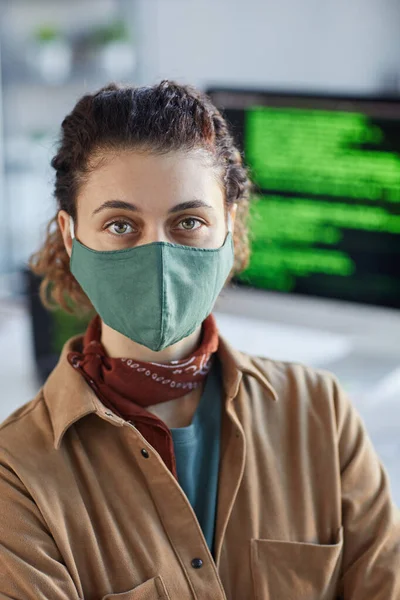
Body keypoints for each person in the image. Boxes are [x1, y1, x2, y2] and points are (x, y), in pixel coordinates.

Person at [0, 80, 398, 600]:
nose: (159, 255)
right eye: (121, 225)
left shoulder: (321, 414)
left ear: (227, 226)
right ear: (72, 234)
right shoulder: (17, 474)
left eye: (188, 221)